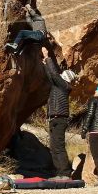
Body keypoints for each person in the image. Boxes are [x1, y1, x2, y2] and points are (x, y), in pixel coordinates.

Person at [41, 46, 78, 179]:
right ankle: (59, 173)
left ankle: (65, 173)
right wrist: (46, 64)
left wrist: (47, 57)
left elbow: (55, 76)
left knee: (59, 147)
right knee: (54, 147)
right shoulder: (59, 85)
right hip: (54, 119)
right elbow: (52, 77)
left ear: (65, 78)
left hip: (59, 119)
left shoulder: (64, 86)